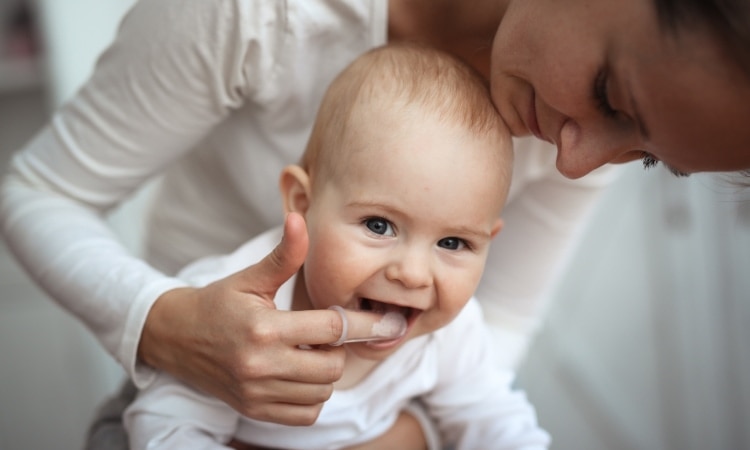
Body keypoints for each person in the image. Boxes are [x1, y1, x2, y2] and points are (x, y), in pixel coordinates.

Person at [0, 0, 749, 447]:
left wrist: (408, 438)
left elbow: (494, 361)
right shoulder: (259, 15)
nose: (580, 164)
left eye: (647, 157)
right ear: (297, 200)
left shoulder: (447, 331)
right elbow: (38, 191)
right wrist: (165, 324)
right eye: (612, 96)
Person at [123, 43, 550, 450]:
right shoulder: (230, 314)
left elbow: (495, 420)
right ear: (302, 204)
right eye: (379, 225)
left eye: (453, 242)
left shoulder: (450, 334)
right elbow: (165, 432)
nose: (414, 274)